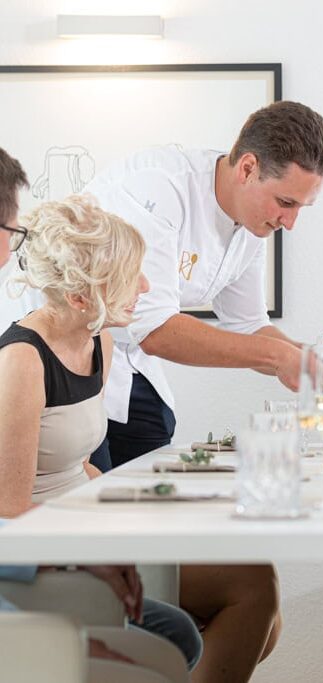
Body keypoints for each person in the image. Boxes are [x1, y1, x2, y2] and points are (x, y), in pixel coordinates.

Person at [82, 100, 323, 683]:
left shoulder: (250, 225)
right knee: (247, 591)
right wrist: (277, 355)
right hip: (73, 376)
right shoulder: (157, 190)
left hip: (133, 379)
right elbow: (152, 327)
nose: (290, 222)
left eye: (301, 207)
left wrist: (313, 355)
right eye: (286, 203)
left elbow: (247, 329)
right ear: (246, 168)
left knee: (264, 618)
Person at [0, 159, 202, 674]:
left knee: (178, 632)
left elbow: (85, 465)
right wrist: (86, 557)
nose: (145, 286)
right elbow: (9, 513)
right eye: (131, 275)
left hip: (73, 554)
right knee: (170, 642)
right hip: (37, 568)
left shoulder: (101, 342)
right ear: (79, 295)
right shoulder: (21, 362)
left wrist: (126, 524)